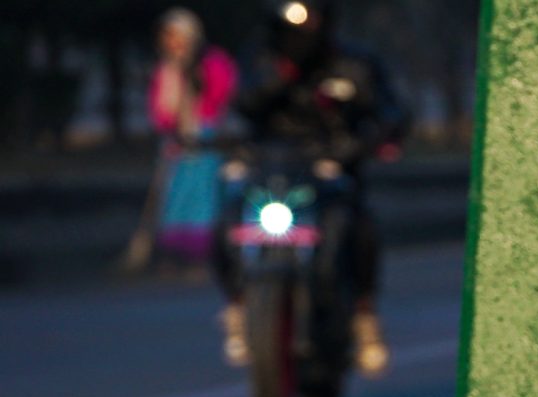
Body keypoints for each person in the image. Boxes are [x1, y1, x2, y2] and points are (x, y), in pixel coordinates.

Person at [215, 0, 408, 374]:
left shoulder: (354, 64)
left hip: (332, 173)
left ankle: (363, 315)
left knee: (359, 229)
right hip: (270, 171)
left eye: (309, 21)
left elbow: (390, 111)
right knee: (227, 222)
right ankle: (238, 304)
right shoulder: (261, 61)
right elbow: (241, 105)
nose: (301, 35)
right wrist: (279, 79)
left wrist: (374, 139)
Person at [126, 9, 236, 271]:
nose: (172, 42)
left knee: (202, 195)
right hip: (175, 141)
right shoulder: (167, 68)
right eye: (168, 36)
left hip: (204, 138)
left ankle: (201, 255)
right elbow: (159, 107)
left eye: (177, 36)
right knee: (173, 194)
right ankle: (173, 253)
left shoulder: (211, 62)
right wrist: (170, 126)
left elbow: (220, 92)